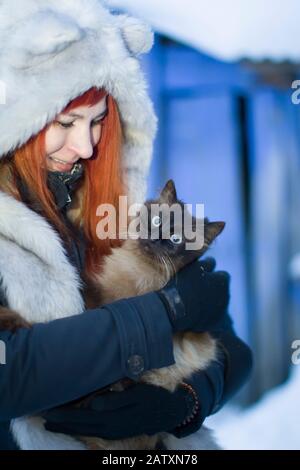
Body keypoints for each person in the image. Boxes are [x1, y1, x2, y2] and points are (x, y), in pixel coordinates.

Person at [0, 0, 252, 450]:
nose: (86, 144)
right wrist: (165, 313)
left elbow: (233, 348)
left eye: (99, 121)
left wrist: (188, 402)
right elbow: (11, 371)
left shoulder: (125, 209)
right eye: (66, 121)